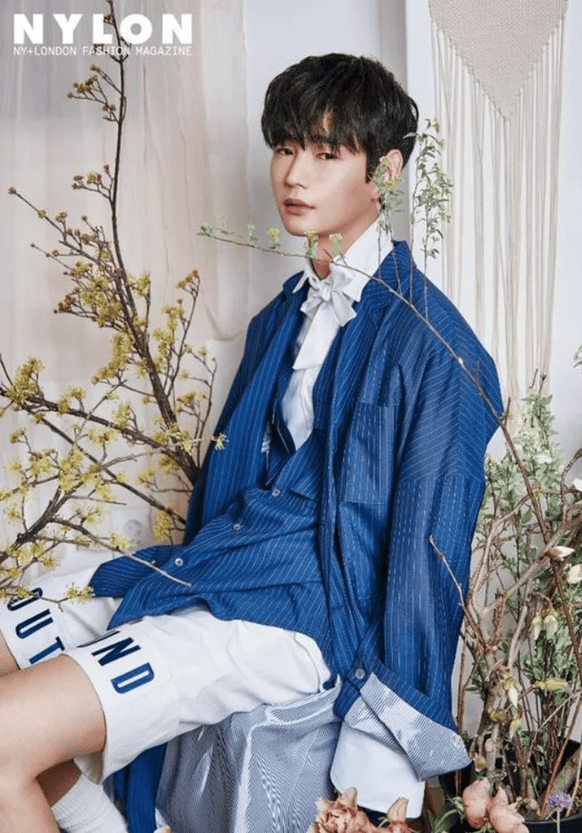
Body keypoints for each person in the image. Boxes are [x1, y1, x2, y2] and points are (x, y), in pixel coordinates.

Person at [0, 54, 502, 833]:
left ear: (387, 172)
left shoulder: (438, 349)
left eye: (326, 153)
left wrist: (380, 775)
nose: (294, 174)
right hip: (221, 568)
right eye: (286, 147)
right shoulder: (281, 317)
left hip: (305, 613)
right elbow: (230, 490)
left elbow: (426, 567)